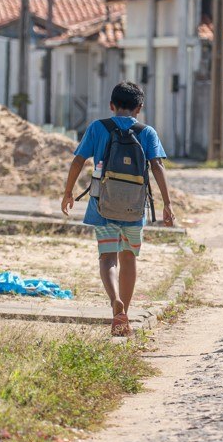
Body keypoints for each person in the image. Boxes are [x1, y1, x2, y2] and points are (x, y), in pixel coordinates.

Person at [61, 81, 174, 338]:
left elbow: (78, 160)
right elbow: (157, 166)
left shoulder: (98, 127)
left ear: (111, 106)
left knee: (108, 257)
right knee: (129, 258)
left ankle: (115, 304)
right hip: (135, 208)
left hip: (103, 205)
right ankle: (126, 313)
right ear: (140, 108)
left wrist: (68, 193)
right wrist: (167, 204)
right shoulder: (147, 132)